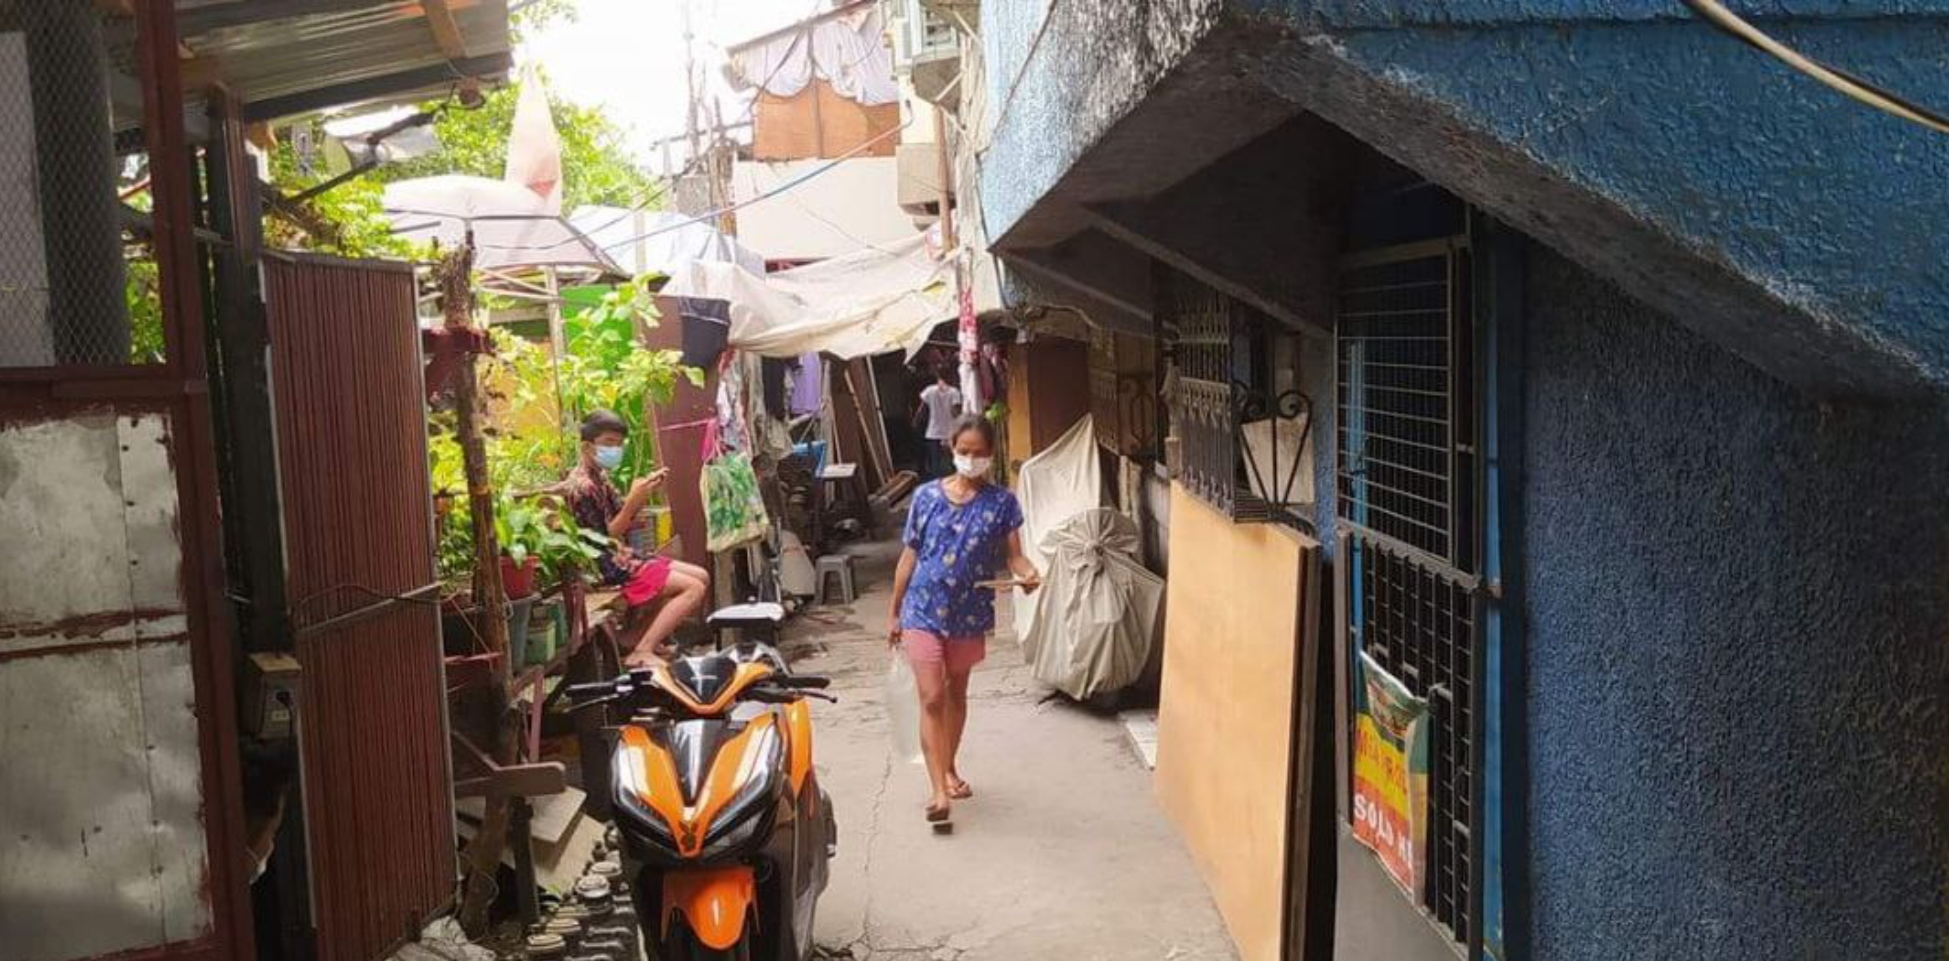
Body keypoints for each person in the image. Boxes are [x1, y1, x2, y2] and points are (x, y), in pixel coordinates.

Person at [887, 413, 1040, 824]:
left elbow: (1015, 557)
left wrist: (1028, 574)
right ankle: (938, 791)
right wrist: (895, 612)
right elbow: (909, 556)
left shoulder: (1002, 503)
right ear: (951, 449)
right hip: (922, 609)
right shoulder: (925, 497)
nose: (971, 459)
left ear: (991, 455)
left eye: (979, 453)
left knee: (956, 693)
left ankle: (949, 766)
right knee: (931, 697)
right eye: (964, 451)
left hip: (969, 614)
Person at [562, 409, 710, 665]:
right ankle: (643, 650)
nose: (615, 449)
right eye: (609, 443)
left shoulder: (600, 479)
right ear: (587, 446)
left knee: (701, 576)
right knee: (693, 588)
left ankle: (633, 637)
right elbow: (604, 538)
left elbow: (623, 518)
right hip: (604, 567)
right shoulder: (582, 487)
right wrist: (633, 502)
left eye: (619, 444)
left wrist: (643, 493)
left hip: (621, 557)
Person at [914, 368, 962, 478]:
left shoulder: (929, 390)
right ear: (950, 376)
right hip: (950, 432)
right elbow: (955, 412)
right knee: (954, 462)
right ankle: (955, 481)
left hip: (933, 432)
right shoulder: (954, 392)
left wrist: (916, 420)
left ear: (937, 376)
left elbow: (922, 408)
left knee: (935, 464)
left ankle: (937, 483)